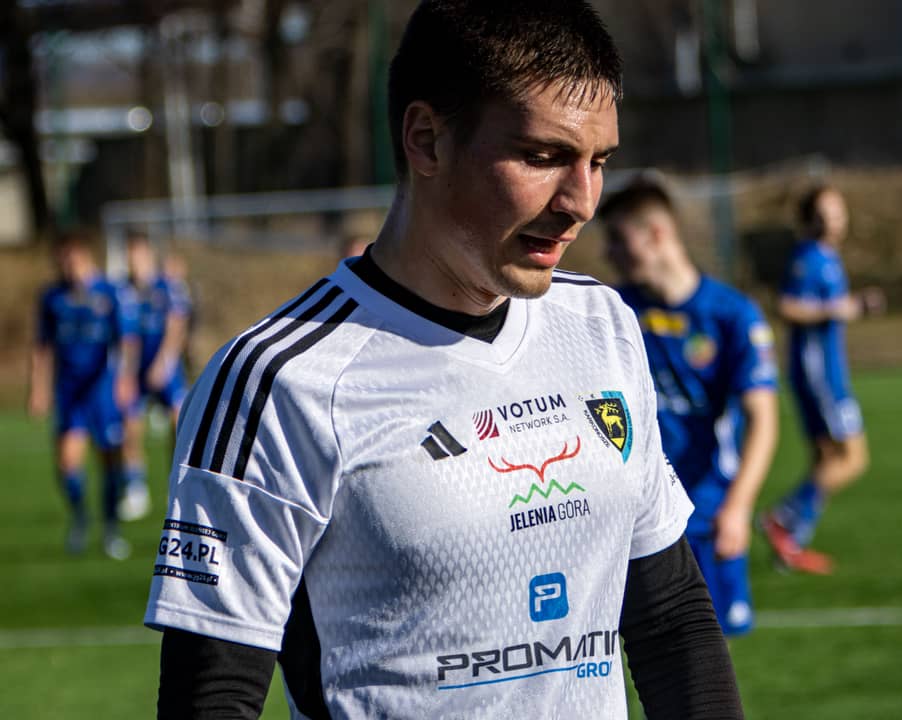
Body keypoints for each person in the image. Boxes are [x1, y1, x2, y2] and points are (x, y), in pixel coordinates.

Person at [145, 2, 743, 719]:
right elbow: (212, 699)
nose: (582, 201)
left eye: (599, 161)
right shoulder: (276, 383)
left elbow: (670, 617)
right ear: (426, 141)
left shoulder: (601, 324)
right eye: (543, 157)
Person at [599, 175, 779, 636]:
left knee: (711, 654)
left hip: (707, 513)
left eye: (618, 239)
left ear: (656, 234)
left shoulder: (731, 315)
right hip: (632, 518)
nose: (608, 253)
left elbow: (762, 419)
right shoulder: (613, 313)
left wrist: (738, 507)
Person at [759, 185, 885, 574]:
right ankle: (783, 517)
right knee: (853, 459)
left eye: (839, 211)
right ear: (810, 219)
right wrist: (838, 309)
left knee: (827, 458)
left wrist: (851, 306)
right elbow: (787, 306)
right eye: (826, 212)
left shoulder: (827, 257)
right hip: (821, 376)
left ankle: (790, 545)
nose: (835, 219)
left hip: (825, 372)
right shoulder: (809, 258)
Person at [27, 231, 139, 559]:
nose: (68, 267)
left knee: (109, 461)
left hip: (102, 390)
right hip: (69, 391)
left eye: (72, 260)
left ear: (86, 258)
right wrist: (38, 389)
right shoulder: (52, 297)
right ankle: (80, 518)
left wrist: (125, 379)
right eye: (62, 261)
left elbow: (127, 341)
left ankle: (111, 529)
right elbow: (42, 347)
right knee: (66, 462)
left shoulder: (110, 293)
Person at [117, 231, 193, 521]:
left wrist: (164, 362)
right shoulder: (123, 291)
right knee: (129, 426)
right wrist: (124, 373)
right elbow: (124, 337)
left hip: (166, 367)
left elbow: (177, 325)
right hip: (135, 370)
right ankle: (135, 488)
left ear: (148, 255)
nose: (132, 261)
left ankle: (176, 484)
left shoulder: (166, 286)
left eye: (137, 255)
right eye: (129, 256)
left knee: (178, 424)